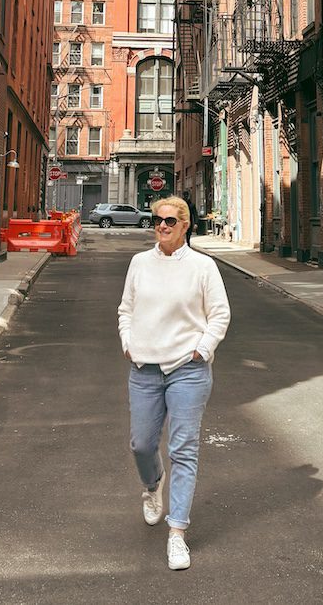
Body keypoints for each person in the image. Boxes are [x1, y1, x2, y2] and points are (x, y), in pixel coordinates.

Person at [117, 195, 231, 571]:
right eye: (157, 220)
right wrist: (127, 342)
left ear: (185, 225)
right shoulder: (139, 263)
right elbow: (126, 309)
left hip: (188, 370)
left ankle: (177, 532)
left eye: (169, 221)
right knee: (142, 443)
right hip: (145, 368)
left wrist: (203, 348)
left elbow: (219, 314)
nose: (161, 226)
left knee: (184, 449)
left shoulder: (203, 266)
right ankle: (152, 486)